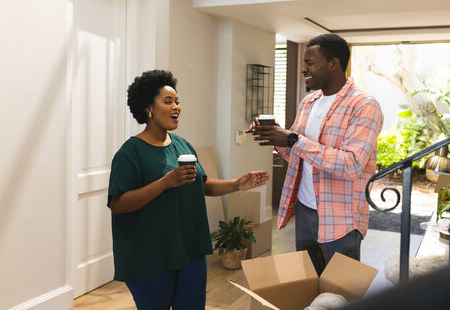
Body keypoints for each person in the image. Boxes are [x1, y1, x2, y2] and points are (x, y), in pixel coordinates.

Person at [108, 70, 269, 310]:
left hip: (189, 250)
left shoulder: (182, 145)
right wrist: (164, 182)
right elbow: (118, 204)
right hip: (150, 256)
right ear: (148, 108)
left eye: (177, 101)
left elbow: (202, 185)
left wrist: (236, 184)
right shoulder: (130, 153)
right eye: (168, 101)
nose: (177, 107)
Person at [247, 34, 383, 275]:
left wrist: (293, 139)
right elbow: (300, 156)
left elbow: (351, 164)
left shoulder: (364, 105)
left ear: (333, 64)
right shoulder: (308, 102)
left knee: (340, 295)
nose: (303, 69)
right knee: (307, 288)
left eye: (310, 62)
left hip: (341, 218)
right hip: (305, 210)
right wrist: (277, 137)